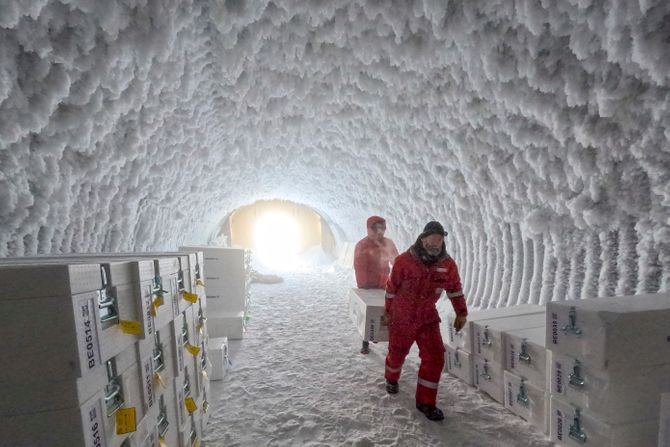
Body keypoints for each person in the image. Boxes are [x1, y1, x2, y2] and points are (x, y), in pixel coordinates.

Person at [383, 221, 468, 421]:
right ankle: (391, 378)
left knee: (436, 356)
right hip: (402, 316)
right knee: (397, 353)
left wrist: (461, 312)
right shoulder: (404, 261)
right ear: (423, 239)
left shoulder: (447, 265)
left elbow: (454, 289)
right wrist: (388, 312)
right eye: (432, 239)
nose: (435, 243)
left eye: (439, 239)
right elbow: (391, 288)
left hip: (427, 318)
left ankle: (425, 402)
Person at [354, 216, 399, 354]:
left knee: (386, 311)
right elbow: (360, 267)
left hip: (384, 284)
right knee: (369, 313)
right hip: (368, 286)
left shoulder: (388, 243)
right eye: (377, 228)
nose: (380, 232)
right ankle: (365, 341)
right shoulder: (362, 245)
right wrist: (364, 287)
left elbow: (396, 262)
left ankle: (381, 337)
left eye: (382, 228)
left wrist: (398, 279)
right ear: (370, 229)